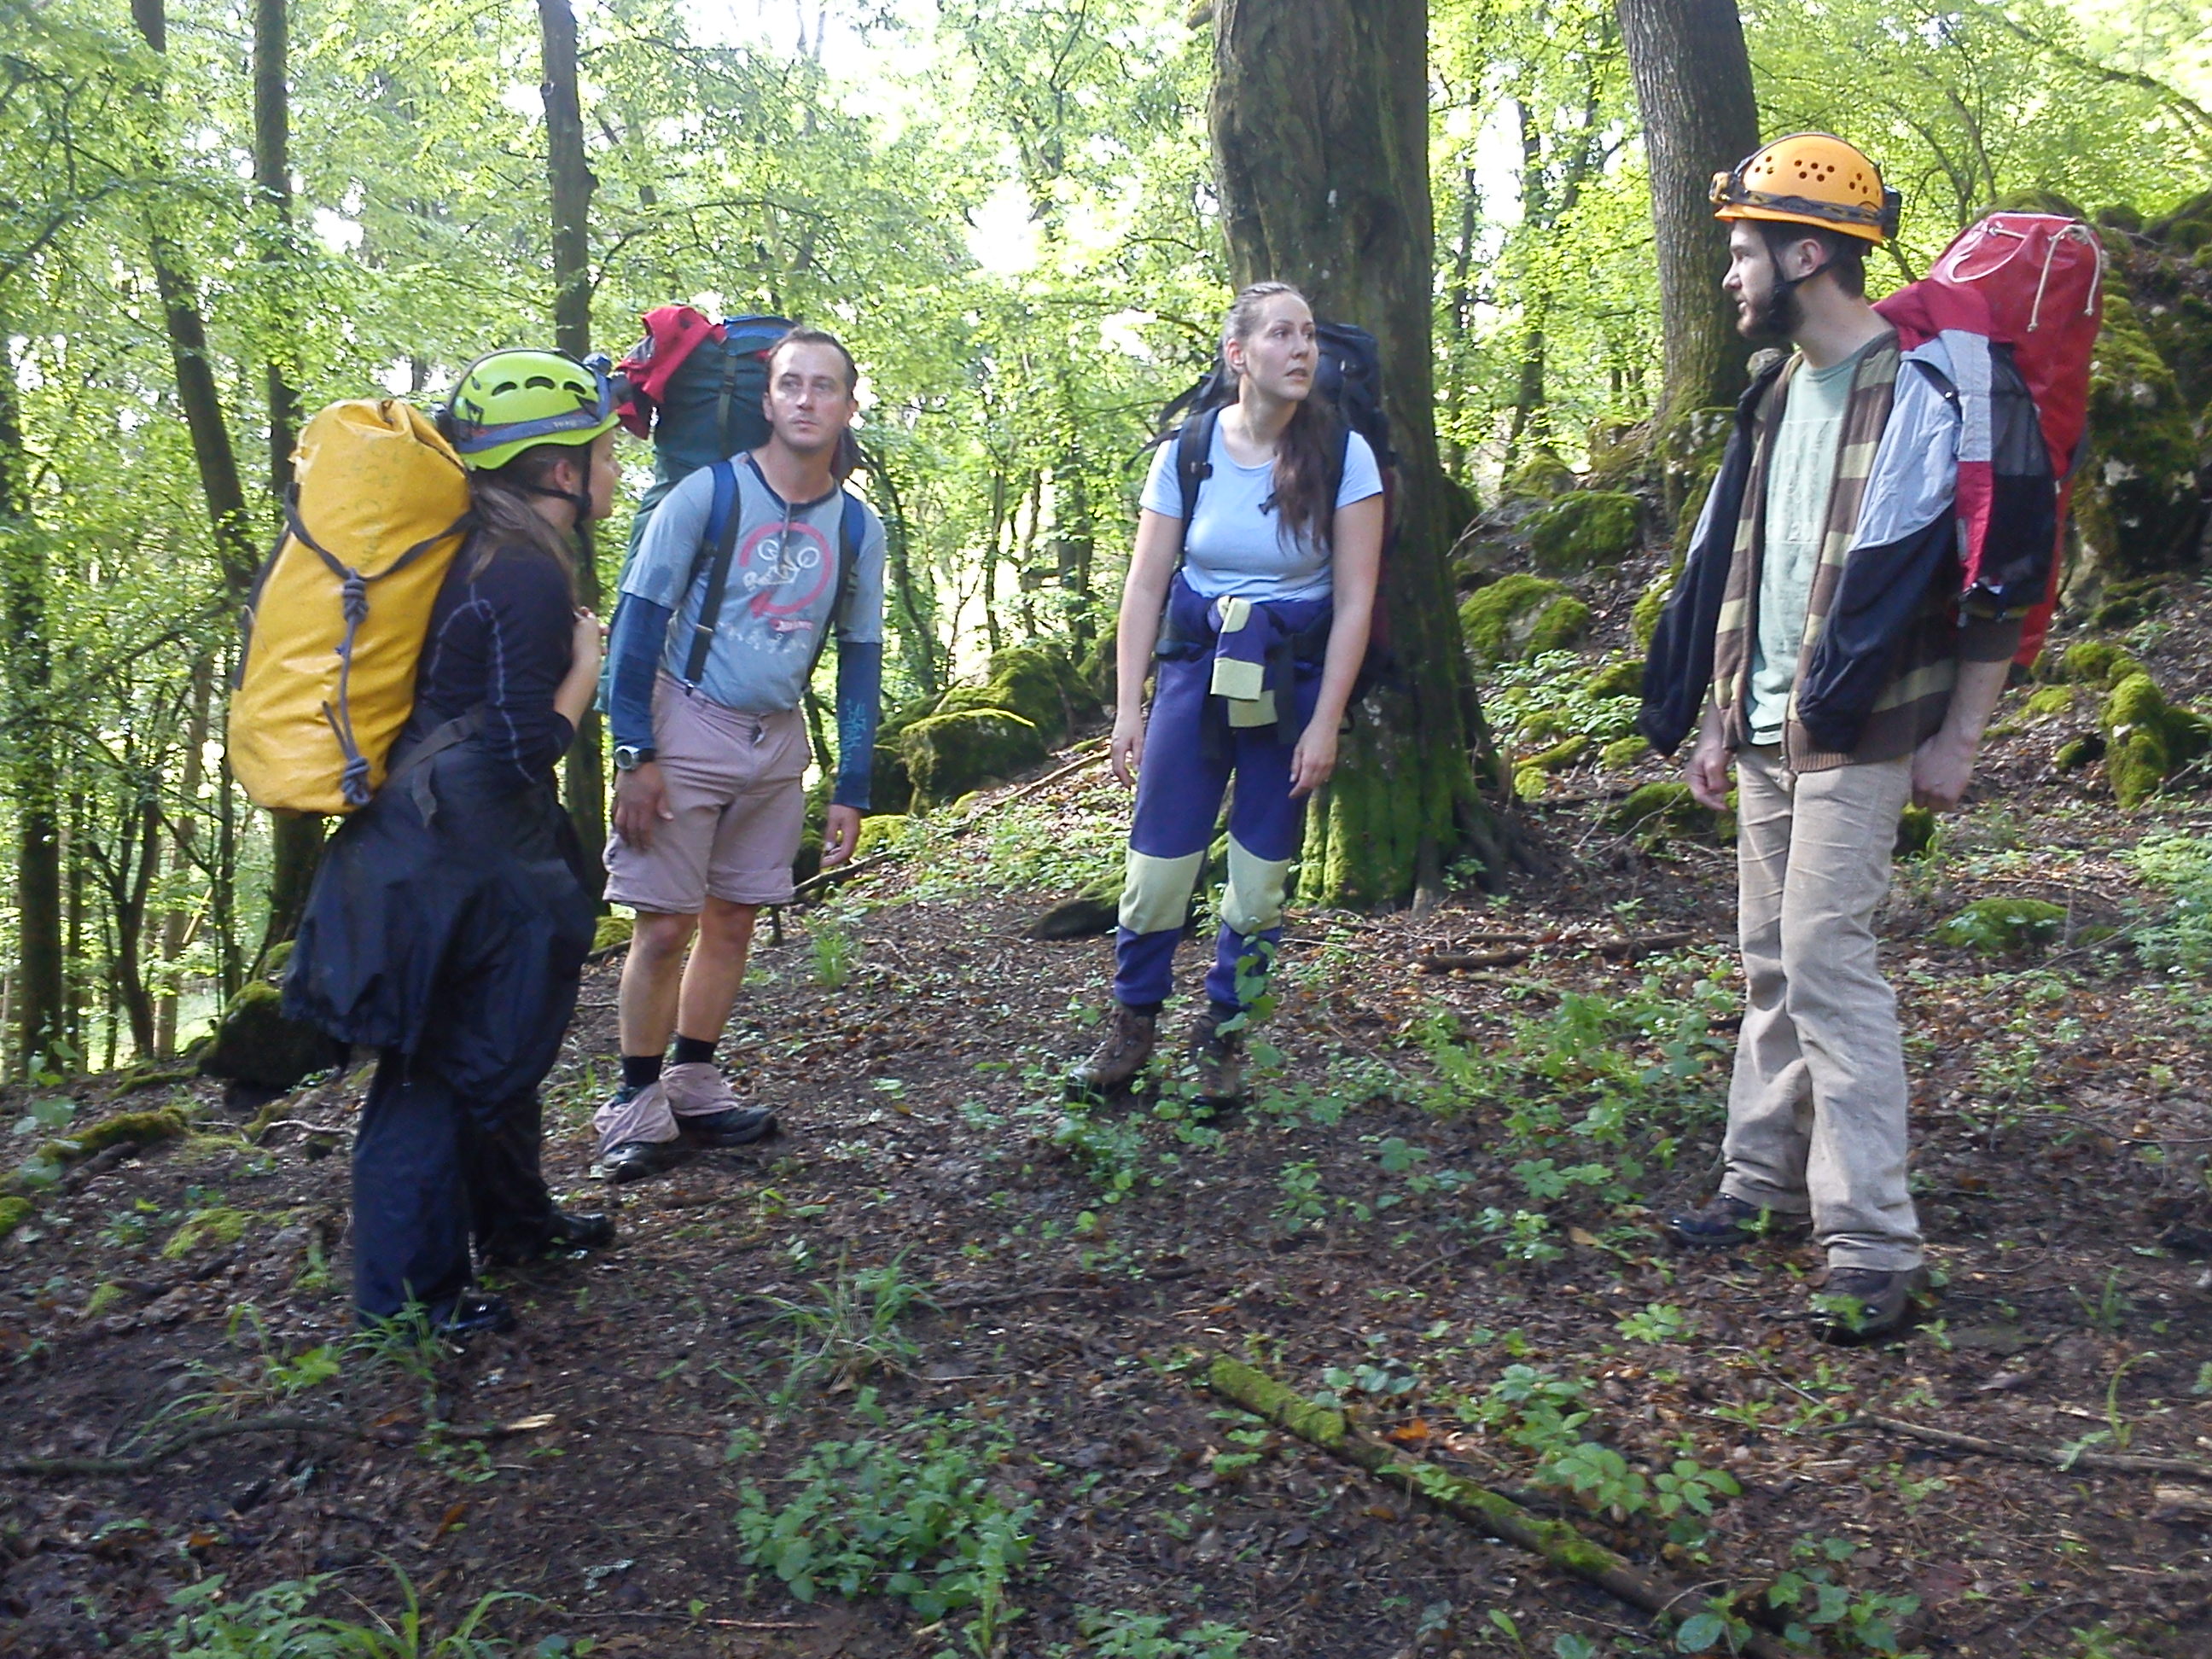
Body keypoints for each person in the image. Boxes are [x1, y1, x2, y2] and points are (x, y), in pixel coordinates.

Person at [1640, 134, 2048, 1342]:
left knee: (1826, 962)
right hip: (1767, 724)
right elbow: (1740, 566)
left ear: (1805, 252)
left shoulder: (1922, 390)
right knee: (1770, 956)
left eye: (1743, 252)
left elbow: (2001, 579)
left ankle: (1876, 1243)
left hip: (1867, 729)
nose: (1729, 277)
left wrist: (1960, 739)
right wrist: (1720, 716)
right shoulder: (1772, 396)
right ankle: (1760, 1184)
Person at [284, 349, 618, 1336]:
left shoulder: (480, 545)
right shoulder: (520, 571)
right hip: (457, 848)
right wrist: (585, 667)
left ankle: (517, 1224)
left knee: (490, 1043)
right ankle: (407, 1302)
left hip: (442, 836)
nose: (612, 470)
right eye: (600, 454)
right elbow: (523, 746)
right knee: (440, 1066)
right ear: (560, 473)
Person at [1070, 282, 1384, 1105]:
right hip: (1194, 671)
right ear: (1238, 355)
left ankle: (1225, 1034)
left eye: (1310, 335)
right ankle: (1133, 1023)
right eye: (1282, 335)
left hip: (1293, 678)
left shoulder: (1345, 454)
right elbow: (1144, 587)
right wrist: (1128, 707)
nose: (1302, 350)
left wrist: (1325, 723)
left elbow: (1355, 599)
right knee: (1157, 865)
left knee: (1259, 875)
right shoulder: (1190, 451)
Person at [594, 326, 886, 1181]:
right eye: (791, 384)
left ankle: (692, 1078)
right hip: (686, 724)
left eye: (824, 387)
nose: (806, 400)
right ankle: (634, 1102)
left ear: (847, 405)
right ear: (766, 399)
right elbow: (640, 624)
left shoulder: (858, 528)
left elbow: (860, 654)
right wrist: (633, 751)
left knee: (733, 918)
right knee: (662, 926)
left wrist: (852, 783)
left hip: (776, 737)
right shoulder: (707, 497)